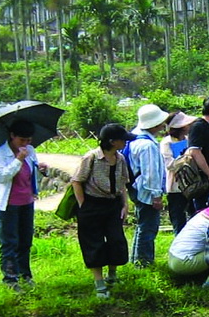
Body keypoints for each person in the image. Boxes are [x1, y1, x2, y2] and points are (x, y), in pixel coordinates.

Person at [72, 123, 132, 299]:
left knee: (116, 240)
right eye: (122, 140)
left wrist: (125, 204)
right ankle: (99, 283)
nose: (125, 143)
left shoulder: (120, 158)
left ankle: (112, 276)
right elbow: (77, 181)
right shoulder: (91, 158)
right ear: (113, 141)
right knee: (93, 243)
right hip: (92, 204)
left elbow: (122, 183)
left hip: (112, 204)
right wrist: (84, 205)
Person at [0, 118, 49, 289]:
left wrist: (41, 170)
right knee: (9, 241)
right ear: (12, 136)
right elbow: (1, 177)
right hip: (8, 203)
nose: (25, 144)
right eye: (21, 140)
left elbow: (30, 176)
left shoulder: (30, 150)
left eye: (29, 140)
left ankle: (25, 274)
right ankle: (10, 278)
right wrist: (18, 160)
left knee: (25, 240)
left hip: (26, 201)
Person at [128, 104, 170, 267]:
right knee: (148, 227)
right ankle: (144, 262)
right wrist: (156, 196)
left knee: (142, 225)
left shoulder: (134, 138)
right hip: (146, 191)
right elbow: (150, 173)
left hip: (135, 188)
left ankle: (136, 259)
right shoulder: (147, 146)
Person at [160, 111, 196, 233]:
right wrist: (187, 157)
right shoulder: (167, 142)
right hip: (176, 187)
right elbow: (170, 164)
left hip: (191, 185)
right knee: (178, 220)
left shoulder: (188, 139)